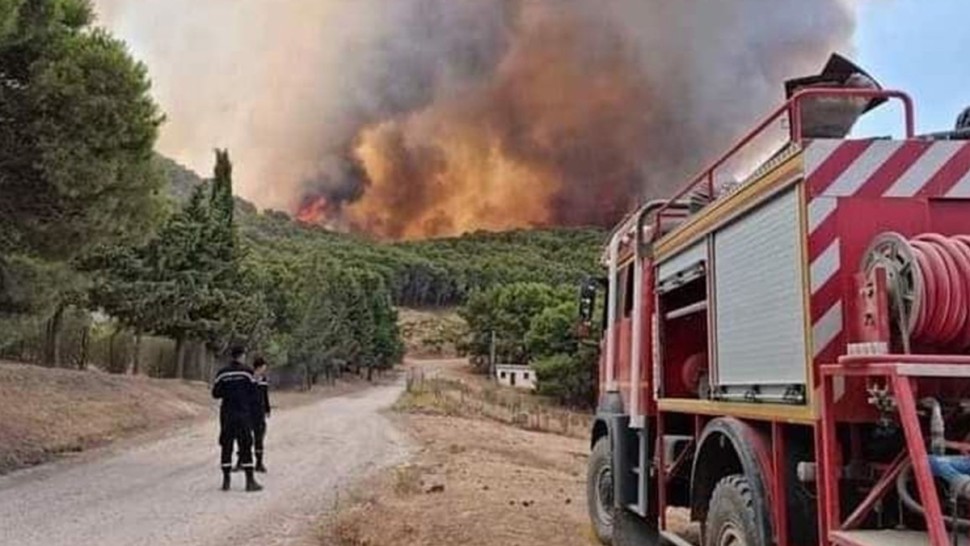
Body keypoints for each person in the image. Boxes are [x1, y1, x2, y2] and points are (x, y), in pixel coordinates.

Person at [212, 346, 262, 492]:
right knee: (245, 445)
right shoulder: (247, 372)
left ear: (231, 356)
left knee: (226, 446)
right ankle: (250, 481)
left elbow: (215, 393)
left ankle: (226, 481)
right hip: (243, 414)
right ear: (242, 356)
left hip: (227, 415)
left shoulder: (222, 373)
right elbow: (254, 392)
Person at [251, 357, 271, 473]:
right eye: (264, 366)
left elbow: (265, 395)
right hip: (250, 412)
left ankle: (259, 462)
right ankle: (241, 461)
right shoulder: (249, 378)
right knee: (246, 438)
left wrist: (267, 409)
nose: (265, 368)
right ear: (260, 366)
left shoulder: (264, 379)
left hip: (260, 411)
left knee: (259, 437)